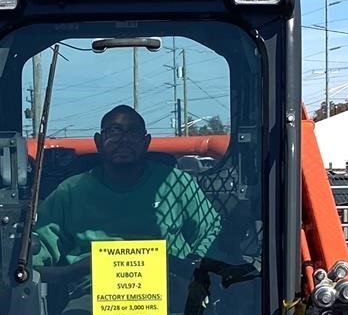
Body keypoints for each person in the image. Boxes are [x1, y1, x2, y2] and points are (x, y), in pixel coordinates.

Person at [29, 104, 222, 271]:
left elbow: (211, 231)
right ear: (98, 142)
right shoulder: (71, 191)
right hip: (92, 294)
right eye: (113, 132)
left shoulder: (177, 183)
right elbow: (41, 246)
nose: (124, 140)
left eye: (133, 132)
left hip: (172, 292)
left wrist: (194, 267)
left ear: (146, 142)